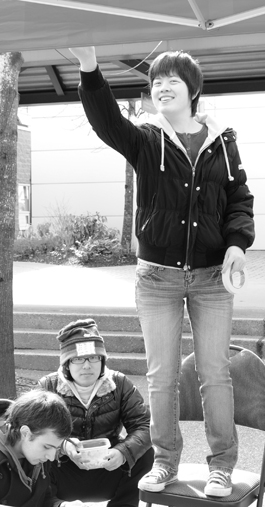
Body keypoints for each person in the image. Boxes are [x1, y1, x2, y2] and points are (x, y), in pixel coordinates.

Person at [68, 46, 255, 497]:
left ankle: (221, 467)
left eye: (172, 80)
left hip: (212, 279)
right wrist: (90, 69)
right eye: (156, 82)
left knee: (215, 374)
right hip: (156, 278)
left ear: (193, 89)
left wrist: (236, 244)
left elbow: (239, 199)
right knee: (161, 376)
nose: (162, 87)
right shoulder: (146, 139)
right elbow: (107, 122)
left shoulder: (222, 142)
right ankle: (165, 462)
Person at [39, 318, 153, 507]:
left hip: (108, 466)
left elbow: (145, 426)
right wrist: (63, 446)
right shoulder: (49, 386)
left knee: (145, 451)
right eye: (78, 359)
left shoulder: (119, 384)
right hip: (64, 469)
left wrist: (123, 452)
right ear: (66, 363)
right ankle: (54, 504)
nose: (87, 365)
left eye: (94, 358)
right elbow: (34, 431)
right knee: (36, 451)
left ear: (102, 360)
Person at [0, 389, 73, 507]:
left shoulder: (37, 451)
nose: (51, 457)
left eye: (57, 448)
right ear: (25, 432)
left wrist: (62, 505)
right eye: (47, 447)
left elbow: (44, 498)